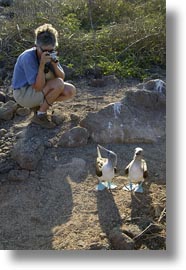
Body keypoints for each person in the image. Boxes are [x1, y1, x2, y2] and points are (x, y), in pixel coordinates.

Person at [12, 23, 76, 128]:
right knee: (58, 84)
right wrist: (41, 66)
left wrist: (55, 65)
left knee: (69, 91)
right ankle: (40, 115)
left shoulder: (51, 54)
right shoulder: (28, 57)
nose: (47, 53)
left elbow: (61, 77)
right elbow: (38, 87)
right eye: (44, 51)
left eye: (50, 50)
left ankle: (39, 107)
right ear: (36, 46)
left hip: (37, 90)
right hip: (23, 94)